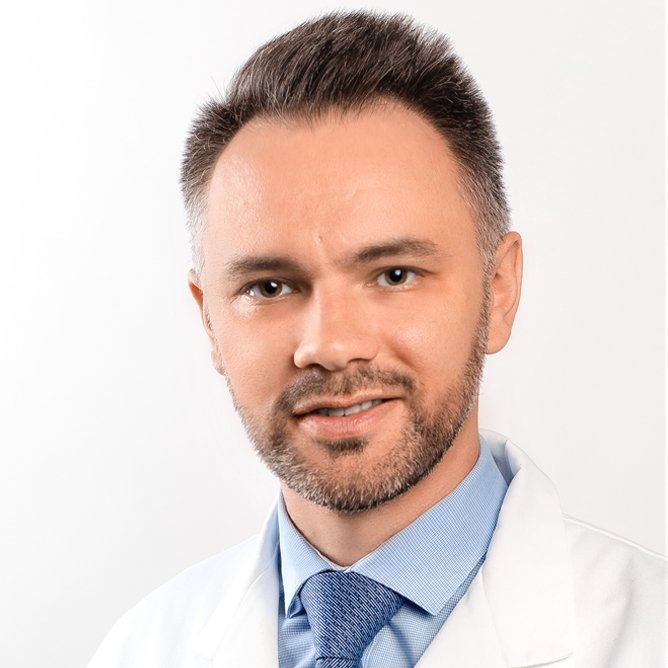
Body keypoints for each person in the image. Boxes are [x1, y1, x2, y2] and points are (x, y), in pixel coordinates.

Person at [88, 10, 664, 668]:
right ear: (209, 322)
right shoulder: (143, 647)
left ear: (499, 291)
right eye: (270, 287)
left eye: (394, 274)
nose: (331, 345)